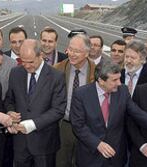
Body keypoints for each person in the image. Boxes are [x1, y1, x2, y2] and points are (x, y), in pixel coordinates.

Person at [70, 60, 147, 167]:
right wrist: (98, 144)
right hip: (90, 156)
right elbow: (78, 126)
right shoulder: (81, 94)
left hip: (116, 156)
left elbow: (136, 111)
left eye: (119, 78)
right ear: (101, 80)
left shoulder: (123, 91)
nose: (119, 83)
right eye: (114, 80)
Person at [5, 39, 67, 167]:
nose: (26, 66)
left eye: (31, 62)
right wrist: (10, 112)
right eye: (23, 61)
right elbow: (9, 99)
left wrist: (33, 124)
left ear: (41, 56)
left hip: (45, 143)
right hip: (20, 143)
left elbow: (58, 110)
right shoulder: (15, 73)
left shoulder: (57, 76)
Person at [54, 34, 96, 167]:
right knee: (61, 162)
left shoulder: (97, 72)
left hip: (87, 127)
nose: (71, 54)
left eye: (77, 51)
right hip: (64, 126)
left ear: (87, 53)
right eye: (70, 49)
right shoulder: (57, 69)